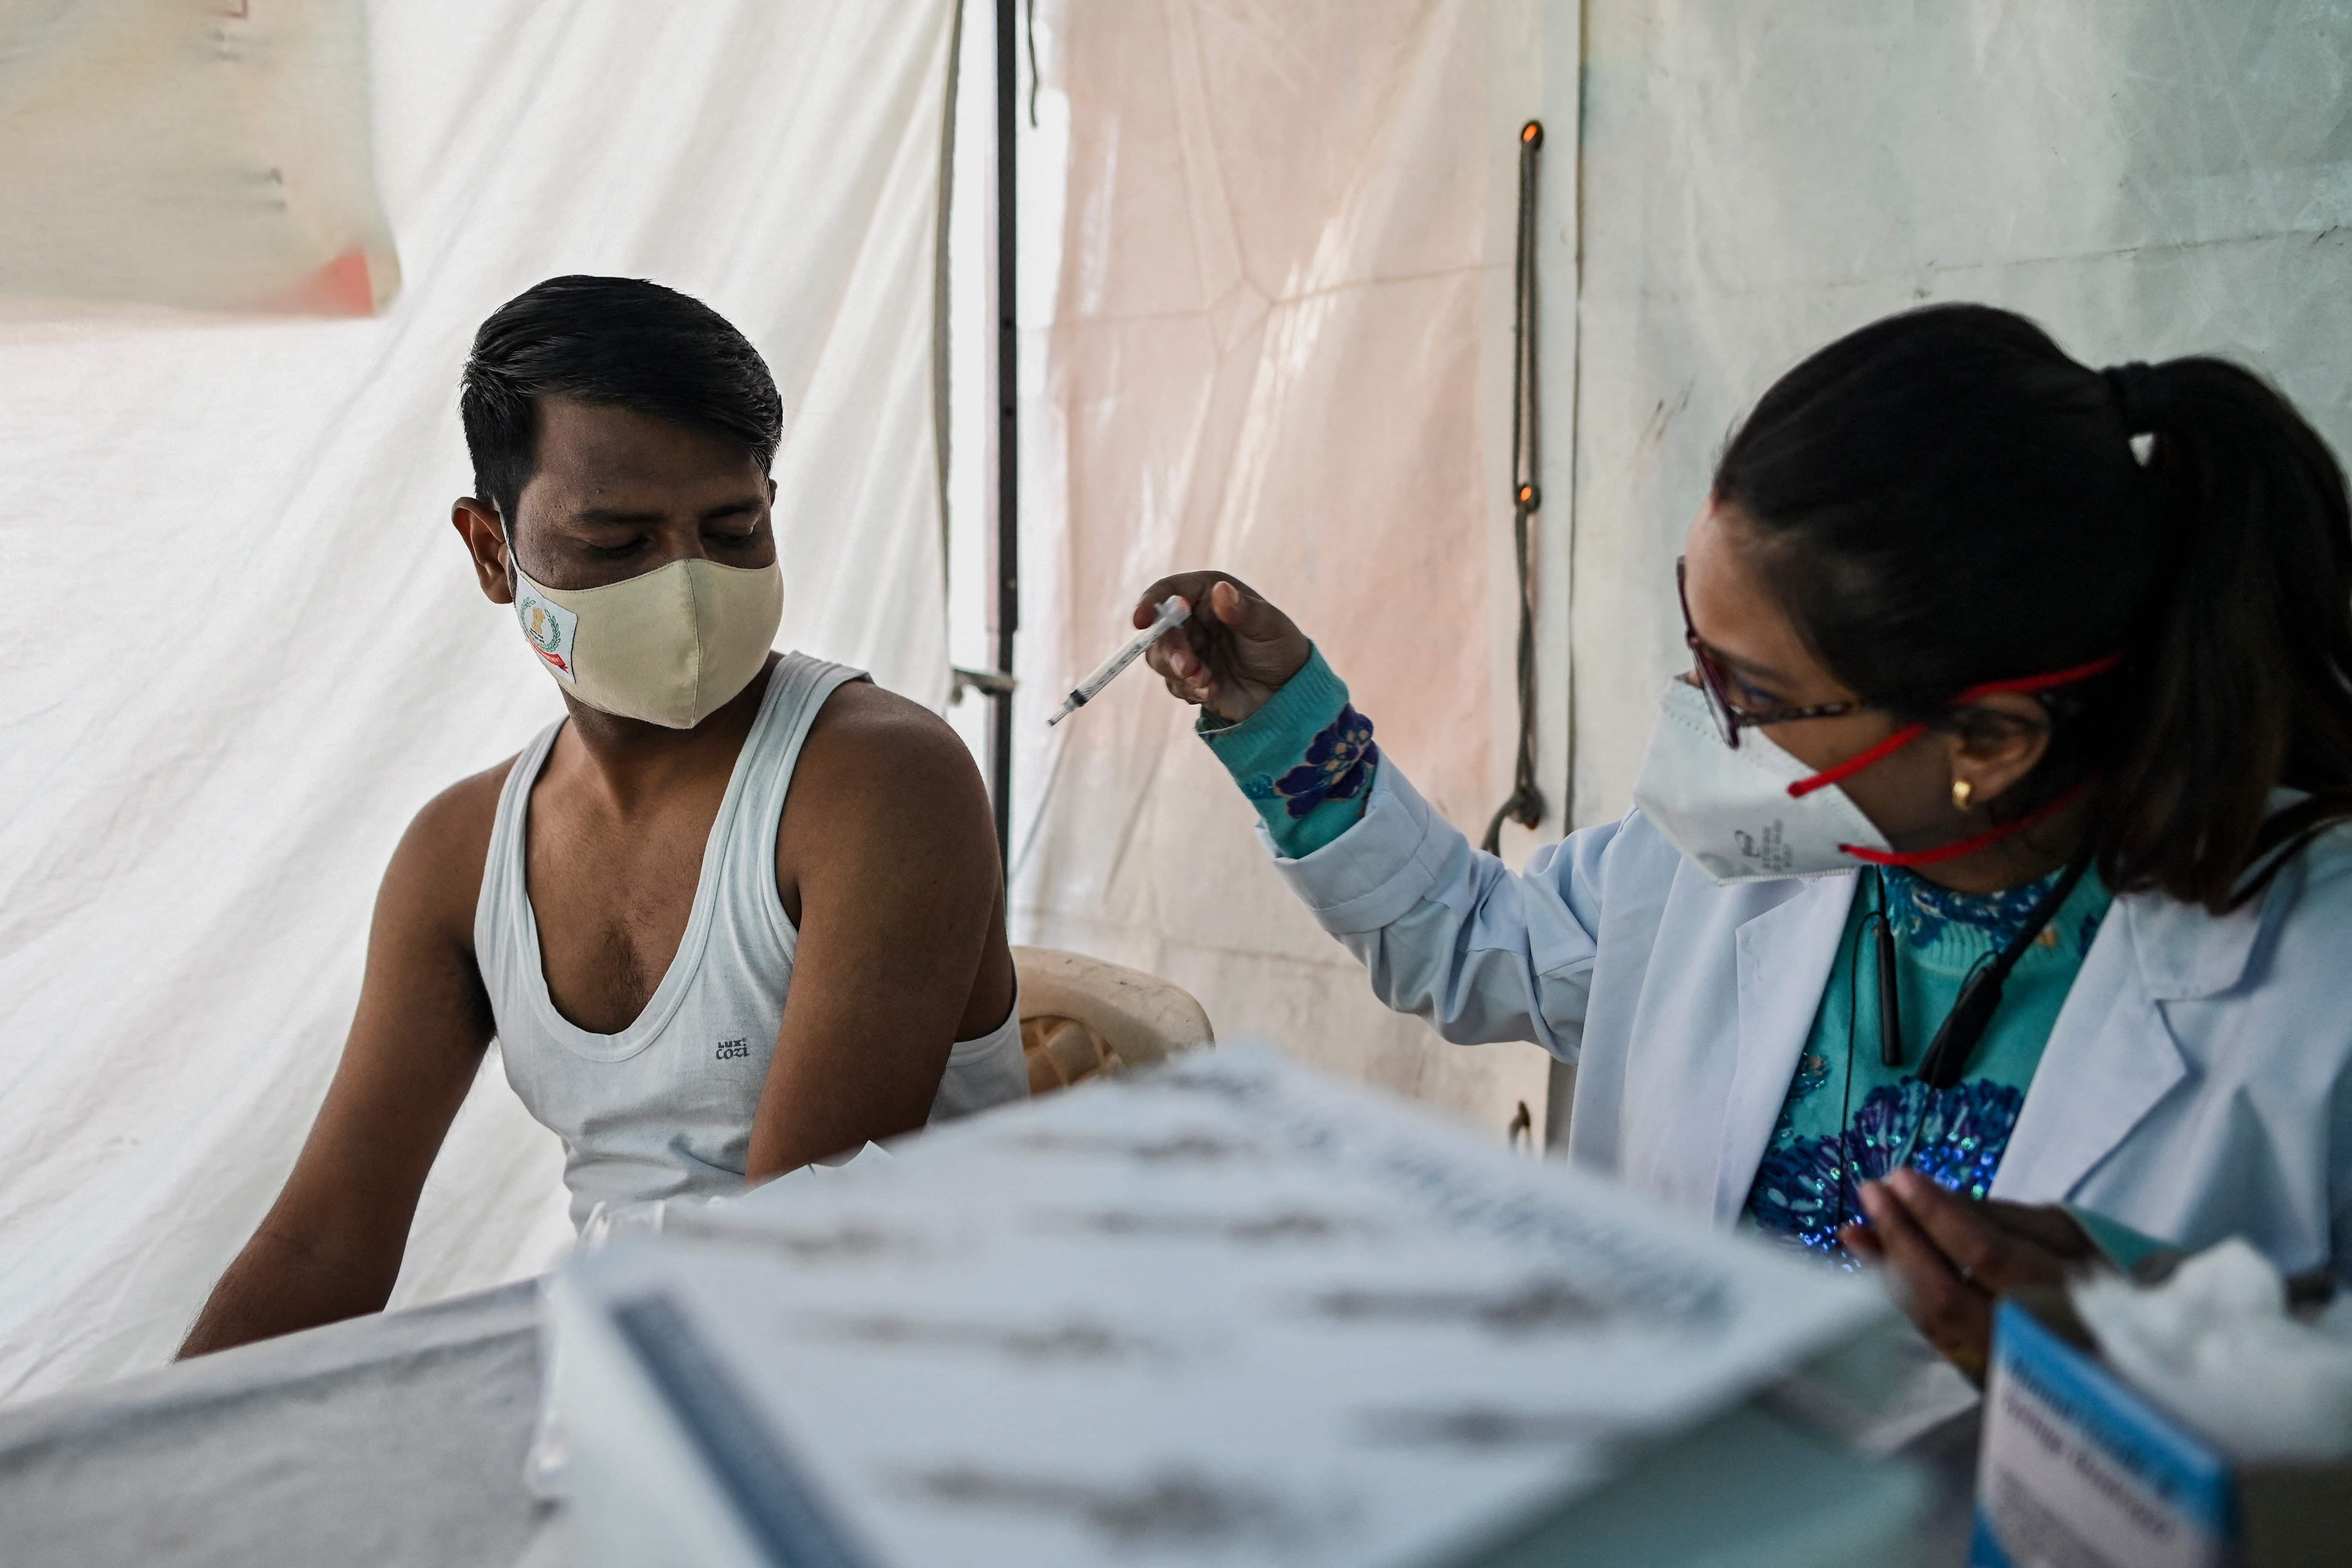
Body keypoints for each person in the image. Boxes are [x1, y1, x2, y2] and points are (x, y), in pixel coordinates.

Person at [1136, 303, 2352, 1384]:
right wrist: (1286, 723)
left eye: (1752, 690)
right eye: (1699, 645)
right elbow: (1474, 940)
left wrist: (2168, 1351)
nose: (1704, 711)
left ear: (1990, 738)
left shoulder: (2312, 977)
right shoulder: (1753, 851)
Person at [181, 276, 1026, 1357]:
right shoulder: (460, 855)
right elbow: (326, 1245)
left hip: (910, 1381)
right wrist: (145, 1455)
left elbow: (794, 1255)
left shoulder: (878, 784)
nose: (687, 586)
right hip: (662, 1374)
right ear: (493, 552)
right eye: (619, 542)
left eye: (733, 528)